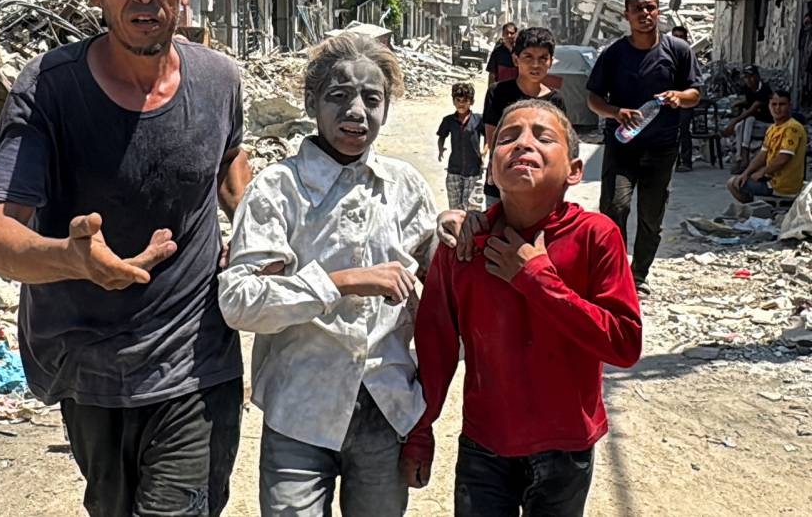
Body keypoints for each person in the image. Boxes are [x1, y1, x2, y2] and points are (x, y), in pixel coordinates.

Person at [0, 0, 251, 517]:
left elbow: (231, 172)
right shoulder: (50, 88)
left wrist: (268, 232)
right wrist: (73, 259)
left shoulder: (219, 81)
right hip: (91, 366)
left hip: (196, 363)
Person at [218, 33, 438, 516]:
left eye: (371, 99)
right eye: (338, 96)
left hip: (386, 409)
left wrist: (465, 229)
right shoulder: (278, 190)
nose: (355, 110)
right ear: (311, 102)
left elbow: (447, 284)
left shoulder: (404, 188)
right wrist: (340, 281)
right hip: (300, 412)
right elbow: (238, 300)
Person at [400, 100, 642, 516]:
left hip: (565, 446)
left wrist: (535, 279)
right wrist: (420, 431)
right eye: (508, 137)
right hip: (485, 445)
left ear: (574, 171)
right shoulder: (464, 246)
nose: (522, 144)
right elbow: (436, 347)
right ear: (490, 166)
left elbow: (624, 344)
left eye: (543, 137)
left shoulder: (596, 236)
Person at [586, 0, 701, 295]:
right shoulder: (613, 54)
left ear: (658, 11)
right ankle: (616, 272)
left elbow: (695, 93)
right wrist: (614, 111)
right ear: (627, 15)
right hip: (622, 147)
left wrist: (679, 96)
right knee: (614, 208)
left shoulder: (677, 50)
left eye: (650, 8)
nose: (645, 15)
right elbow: (593, 99)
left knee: (651, 217)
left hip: (662, 148)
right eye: (638, 9)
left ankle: (638, 276)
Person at [482, 26, 568, 206]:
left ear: (551, 61)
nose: (535, 65)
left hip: (540, 184)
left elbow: (560, 145)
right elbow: (493, 138)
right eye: (528, 57)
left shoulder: (556, 101)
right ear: (515, 59)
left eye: (543, 58)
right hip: (503, 180)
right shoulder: (497, 92)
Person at [728, 89, 808, 203]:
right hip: (772, 179)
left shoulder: (792, 128)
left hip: (783, 185)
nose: (777, 108)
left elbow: (783, 158)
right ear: (769, 106)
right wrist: (746, 173)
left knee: (733, 183)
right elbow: (762, 155)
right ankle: (757, 208)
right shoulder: (772, 128)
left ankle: (755, 207)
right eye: (774, 104)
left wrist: (762, 172)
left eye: (782, 104)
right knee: (740, 179)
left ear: (790, 106)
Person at [438, 82, 484, 210]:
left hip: (473, 170)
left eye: (465, 100)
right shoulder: (448, 120)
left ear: (471, 102)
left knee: (471, 208)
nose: (461, 103)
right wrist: (440, 149)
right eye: (458, 100)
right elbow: (442, 136)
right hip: (454, 169)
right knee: (455, 208)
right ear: (453, 101)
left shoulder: (478, 120)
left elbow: (488, 137)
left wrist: (485, 151)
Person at [723, 65, 774, 175]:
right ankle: (739, 157)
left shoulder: (764, 89)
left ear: (757, 76)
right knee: (739, 126)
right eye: (746, 77)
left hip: (766, 121)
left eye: (751, 77)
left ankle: (745, 155)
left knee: (747, 119)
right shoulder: (747, 89)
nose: (748, 80)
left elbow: (753, 108)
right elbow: (749, 102)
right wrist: (739, 103)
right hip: (753, 121)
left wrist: (733, 122)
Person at [671, 26, 695, 172]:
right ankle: (674, 161)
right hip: (669, 100)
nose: (678, 39)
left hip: (685, 100)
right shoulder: (666, 53)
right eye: (675, 36)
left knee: (684, 131)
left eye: (681, 36)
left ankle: (686, 161)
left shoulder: (688, 55)